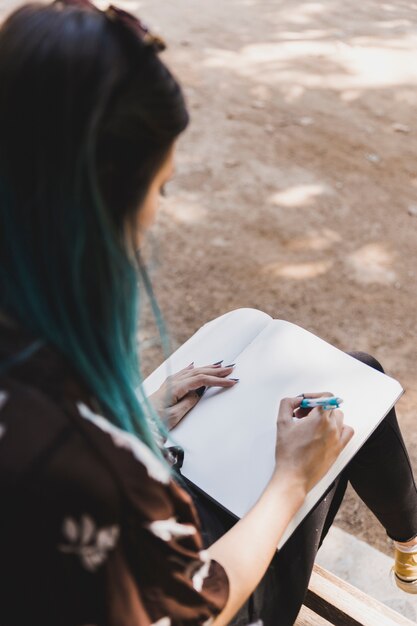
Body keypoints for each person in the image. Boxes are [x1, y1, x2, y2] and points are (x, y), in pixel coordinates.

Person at [0, 2, 416, 625]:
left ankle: (410, 541)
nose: (156, 213)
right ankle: (410, 541)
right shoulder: (84, 457)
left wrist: (141, 414)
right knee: (343, 392)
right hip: (202, 597)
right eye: (159, 187)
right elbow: (192, 608)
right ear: (102, 201)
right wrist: (288, 484)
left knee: (343, 377)